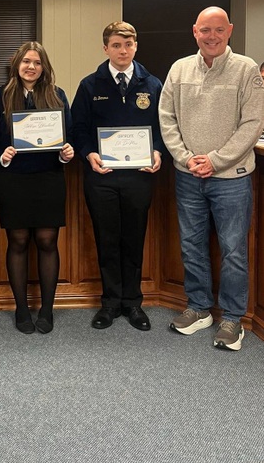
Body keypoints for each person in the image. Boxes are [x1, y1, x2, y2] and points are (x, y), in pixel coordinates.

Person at [159, 6, 264, 351]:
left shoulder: (247, 70)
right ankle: (200, 307)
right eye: (206, 30)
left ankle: (232, 318)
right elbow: (167, 118)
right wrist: (187, 158)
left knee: (233, 250)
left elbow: (252, 124)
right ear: (195, 31)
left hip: (231, 177)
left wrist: (215, 160)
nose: (212, 36)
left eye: (219, 30)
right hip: (188, 175)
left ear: (230, 30)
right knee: (191, 244)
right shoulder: (179, 69)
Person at [72, 21, 164, 331]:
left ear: (136, 46)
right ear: (105, 48)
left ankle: (133, 303)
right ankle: (110, 303)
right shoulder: (90, 85)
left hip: (139, 175)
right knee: (107, 238)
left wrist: (158, 151)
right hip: (102, 175)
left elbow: (165, 128)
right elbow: (78, 129)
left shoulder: (152, 84)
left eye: (128, 45)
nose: (122, 51)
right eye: (116, 45)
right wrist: (89, 153)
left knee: (134, 238)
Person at [0, 41, 73, 334]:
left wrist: (66, 152)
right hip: (13, 179)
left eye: (36, 62)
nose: (31, 67)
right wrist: (1, 153)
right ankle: (21, 308)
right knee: (18, 241)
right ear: (16, 65)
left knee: (48, 241)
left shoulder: (57, 95)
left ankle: (47, 309)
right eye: (25, 62)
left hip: (48, 177)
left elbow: (67, 134)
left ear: (43, 67)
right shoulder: (0, 97)